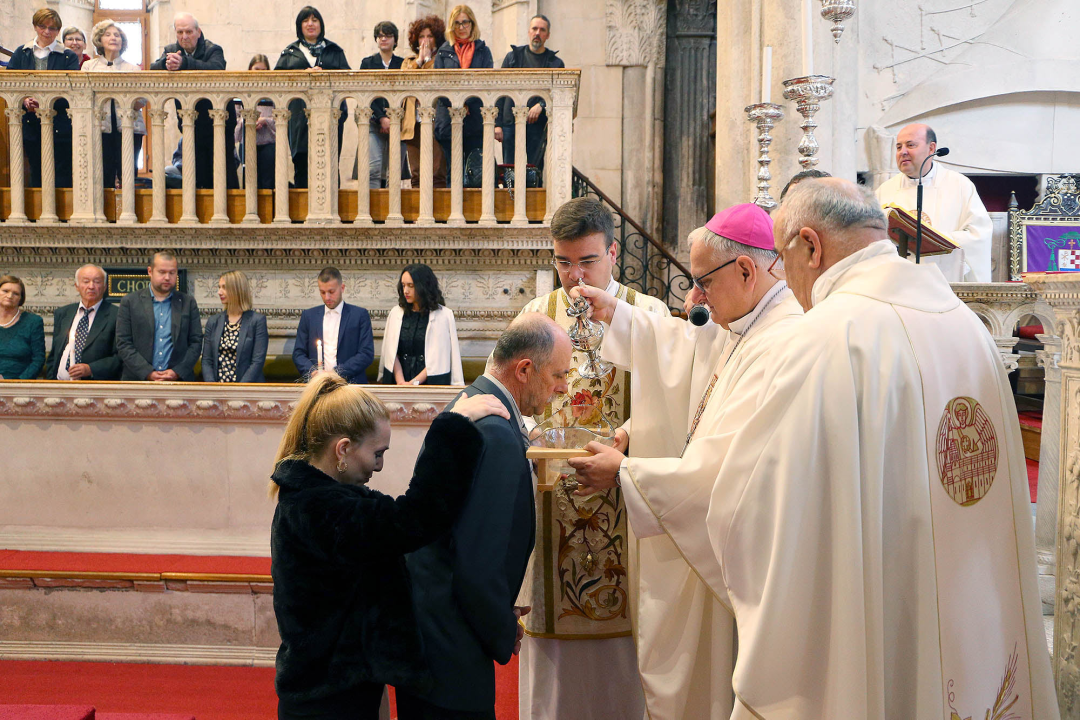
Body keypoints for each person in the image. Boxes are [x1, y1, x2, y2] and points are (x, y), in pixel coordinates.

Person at [587, 178, 1058, 719]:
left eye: (784, 260)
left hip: (879, 606)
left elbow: (750, 504)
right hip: (968, 607)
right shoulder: (962, 323)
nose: (783, 279)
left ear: (810, 246)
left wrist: (639, 478)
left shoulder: (829, 338)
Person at [566, 203, 804, 719]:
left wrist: (624, 473)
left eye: (702, 282)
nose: (694, 298)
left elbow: (725, 472)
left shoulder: (781, 339)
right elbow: (691, 347)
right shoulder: (747, 322)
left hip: (741, 552)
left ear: (745, 270)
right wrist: (619, 314)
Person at [508, 196, 668, 720]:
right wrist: (533, 432)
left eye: (587, 260)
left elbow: (675, 400)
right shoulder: (536, 316)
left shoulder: (649, 316)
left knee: (621, 645)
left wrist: (627, 433)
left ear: (614, 253)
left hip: (621, 497)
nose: (574, 275)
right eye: (562, 261)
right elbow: (506, 389)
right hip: (550, 502)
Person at [270, 371, 509, 720]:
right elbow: (414, 520)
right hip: (326, 701)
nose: (379, 467)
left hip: (337, 690)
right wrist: (452, 426)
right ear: (343, 450)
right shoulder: (320, 510)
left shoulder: (317, 498)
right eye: (377, 454)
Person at [400, 313, 572, 720]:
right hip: (449, 645)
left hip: (434, 634)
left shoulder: (476, 403)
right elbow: (478, 562)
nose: (564, 388)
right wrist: (501, 630)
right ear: (525, 370)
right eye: (559, 375)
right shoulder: (494, 433)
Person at [875, 123, 993, 281]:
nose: (902, 152)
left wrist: (932, 241)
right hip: (899, 281)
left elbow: (979, 234)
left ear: (931, 149)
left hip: (944, 282)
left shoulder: (959, 185)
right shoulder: (885, 190)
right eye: (898, 147)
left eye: (910, 145)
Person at [150, 12, 239, 190]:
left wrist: (184, 63)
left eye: (189, 32)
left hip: (219, 120)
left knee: (224, 172)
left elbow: (216, 69)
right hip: (191, 121)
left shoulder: (213, 49)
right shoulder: (171, 50)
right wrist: (165, 65)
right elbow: (153, 68)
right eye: (180, 32)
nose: (184, 37)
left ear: (198, 32)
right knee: (198, 174)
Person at [274, 6, 349, 189]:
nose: (310, 24)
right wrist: (302, 75)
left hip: (330, 117)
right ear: (300, 26)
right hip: (299, 119)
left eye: (315, 20)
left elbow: (348, 79)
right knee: (302, 163)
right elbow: (276, 82)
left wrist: (325, 75)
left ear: (321, 24)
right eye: (306, 20)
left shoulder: (334, 51)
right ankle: (303, 215)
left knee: (330, 163)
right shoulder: (289, 53)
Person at [5, 8, 79, 189]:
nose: (47, 32)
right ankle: (38, 212)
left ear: (58, 30)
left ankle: (61, 213)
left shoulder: (67, 55)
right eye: (42, 26)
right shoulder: (21, 53)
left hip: (59, 121)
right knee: (36, 168)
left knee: (61, 168)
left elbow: (72, 89)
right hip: (30, 121)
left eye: (53, 28)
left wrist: (46, 102)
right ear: (35, 27)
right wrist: (24, 100)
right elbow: (10, 83)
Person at [115, 251, 203, 382]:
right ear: (150, 271)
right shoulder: (130, 301)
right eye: (162, 272)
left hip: (178, 383)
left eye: (172, 273)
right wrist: (147, 372)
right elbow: (123, 343)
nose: (167, 277)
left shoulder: (188, 303)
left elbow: (196, 343)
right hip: (138, 382)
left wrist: (177, 372)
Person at [495, 15, 564, 180]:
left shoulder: (555, 63)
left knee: (535, 172)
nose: (537, 33)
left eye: (542, 30)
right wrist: (497, 125)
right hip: (510, 124)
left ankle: (534, 205)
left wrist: (541, 104)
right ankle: (511, 205)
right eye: (534, 29)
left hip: (537, 126)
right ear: (528, 31)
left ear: (548, 35)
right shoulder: (512, 58)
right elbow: (499, 90)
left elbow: (559, 94)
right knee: (510, 173)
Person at [433, 5, 493, 186]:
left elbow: (486, 82)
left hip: (474, 118)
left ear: (472, 24)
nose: (461, 27)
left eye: (465, 22)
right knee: (454, 170)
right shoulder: (443, 52)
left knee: (476, 171)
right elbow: (438, 84)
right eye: (457, 23)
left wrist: (468, 104)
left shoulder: (482, 50)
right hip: (449, 119)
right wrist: (457, 104)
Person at [83, 20, 146, 188]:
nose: (114, 38)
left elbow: (142, 100)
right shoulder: (89, 66)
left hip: (129, 128)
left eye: (117, 35)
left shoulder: (133, 69)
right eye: (108, 34)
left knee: (127, 173)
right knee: (103, 173)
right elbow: (83, 97)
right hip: (99, 128)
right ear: (99, 40)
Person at [380, 264, 463, 386]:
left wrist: (414, 383)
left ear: (423, 286)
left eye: (410, 286)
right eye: (403, 285)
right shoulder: (396, 313)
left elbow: (438, 357)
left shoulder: (443, 315)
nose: (405, 291)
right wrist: (401, 382)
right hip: (398, 382)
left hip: (430, 382)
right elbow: (391, 352)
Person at [293, 267, 374, 384]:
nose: (327, 297)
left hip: (351, 385)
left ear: (342, 288)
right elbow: (298, 353)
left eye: (331, 292)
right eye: (322, 292)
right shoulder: (309, 316)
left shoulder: (359, 315)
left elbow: (366, 354)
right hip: (317, 386)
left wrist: (337, 373)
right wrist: (312, 372)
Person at [45, 264, 121, 381]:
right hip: (59, 388)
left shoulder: (116, 315)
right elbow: (54, 355)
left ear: (105, 287)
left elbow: (120, 357)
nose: (91, 286)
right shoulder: (63, 313)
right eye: (86, 281)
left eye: (97, 282)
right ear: (77, 286)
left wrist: (91, 369)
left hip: (95, 388)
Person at [360, 21, 409, 190]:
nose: (383, 39)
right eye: (380, 36)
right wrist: (381, 117)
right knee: (373, 168)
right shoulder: (367, 63)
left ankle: (392, 211)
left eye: (388, 36)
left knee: (394, 171)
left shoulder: (404, 64)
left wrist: (393, 118)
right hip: (374, 121)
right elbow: (366, 94)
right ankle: (372, 212)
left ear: (395, 40)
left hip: (399, 122)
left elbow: (406, 96)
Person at [402, 15, 448, 189]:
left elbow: (435, 80)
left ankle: (437, 215)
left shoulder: (442, 59)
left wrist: (428, 60)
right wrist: (420, 61)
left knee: (437, 173)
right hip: (413, 125)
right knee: (416, 174)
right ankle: (417, 215)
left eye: (429, 36)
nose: (425, 41)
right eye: (422, 36)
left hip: (436, 122)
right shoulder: (409, 62)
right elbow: (403, 82)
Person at [202, 271, 268, 383]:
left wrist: (239, 391)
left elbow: (257, 362)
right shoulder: (213, 321)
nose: (219, 292)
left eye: (224, 288)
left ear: (237, 290)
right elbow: (207, 361)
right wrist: (212, 388)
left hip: (247, 391)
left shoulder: (257, 321)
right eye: (219, 287)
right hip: (217, 391)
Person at [236, 55, 277, 190]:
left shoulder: (274, 91)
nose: (260, 73)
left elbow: (281, 117)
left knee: (267, 180)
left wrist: (265, 120)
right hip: (248, 140)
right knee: (249, 180)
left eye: (264, 70)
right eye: (256, 69)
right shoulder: (241, 91)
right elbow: (235, 117)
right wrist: (248, 121)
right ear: (250, 69)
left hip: (268, 143)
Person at [0, 275, 45, 380]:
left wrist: (18, 383)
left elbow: (38, 359)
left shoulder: (33, 322)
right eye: (5, 291)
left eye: (15, 293)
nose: (10, 296)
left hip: (20, 388)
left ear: (21, 298)